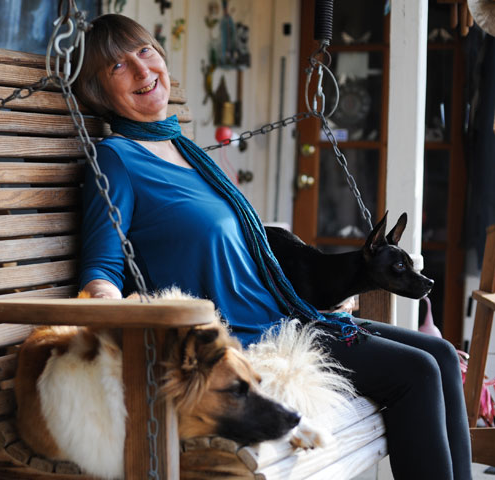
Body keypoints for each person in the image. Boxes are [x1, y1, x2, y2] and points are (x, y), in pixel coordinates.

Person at [74, 13, 473, 480]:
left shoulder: (189, 152)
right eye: (118, 66)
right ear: (101, 92)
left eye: (144, 51)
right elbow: (100, 267)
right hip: (249, 334)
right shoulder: (116, 159)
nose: (142, 71)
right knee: (418, 373)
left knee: (442, 356)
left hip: (284, 313)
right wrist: (108, 305)